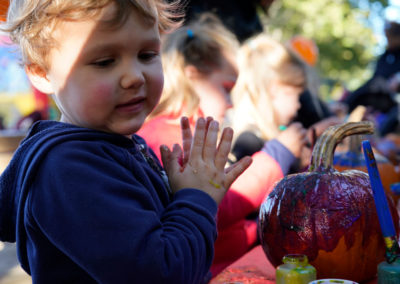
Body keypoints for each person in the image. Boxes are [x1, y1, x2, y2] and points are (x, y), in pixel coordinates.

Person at [0, 1, 251, 283]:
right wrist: (196, 199)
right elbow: (162, 273)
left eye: (147, 55)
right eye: (105, 61)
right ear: (42, 73)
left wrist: (177, 191)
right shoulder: (70, 170)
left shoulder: (117, 144)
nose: (134, 77)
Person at [138, 14, 287, 276]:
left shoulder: (188, 133)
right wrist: (277, 156)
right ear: (193, 76)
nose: (231, 102)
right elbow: (217, 205)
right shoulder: (167, 138)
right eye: (226, 88)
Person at [229, 34, 340, 173]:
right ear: (274, 90)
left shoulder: (271, 136)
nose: (299, 105)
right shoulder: (249, 141)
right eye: (295, 95)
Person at [343, 20, 400, 136]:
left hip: (390, 100)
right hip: (377, 94)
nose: (388, 41)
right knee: (362, 93)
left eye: (390, 38)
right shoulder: (386, 55)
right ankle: (344, 106)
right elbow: (376, 76)